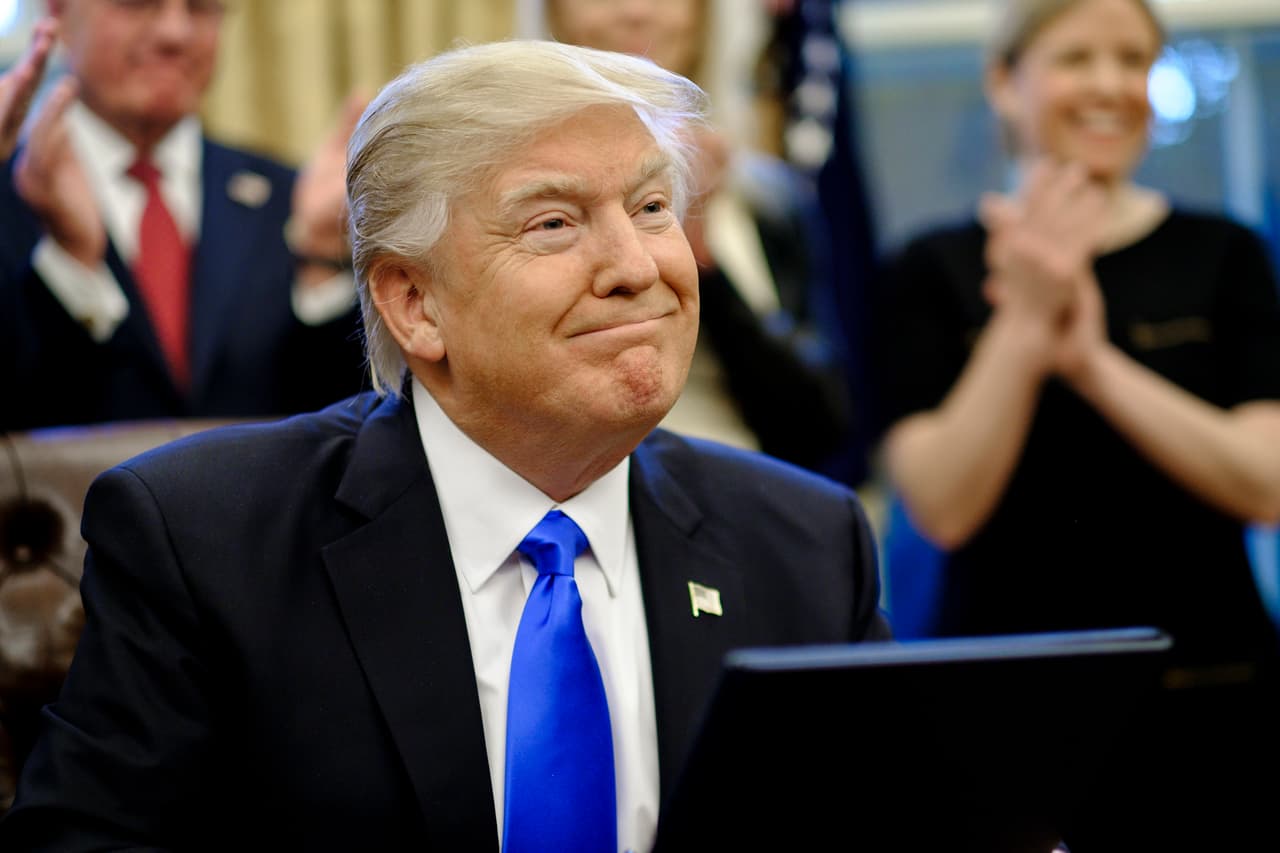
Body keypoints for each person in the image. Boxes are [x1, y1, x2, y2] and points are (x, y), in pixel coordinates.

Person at [0, 40, 890, 851]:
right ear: (415, 304)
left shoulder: (806, 546)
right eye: (554, 223)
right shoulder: (204, 543)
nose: (636, 265)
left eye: (652, 207)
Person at [873, 0, 1280, 848]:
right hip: (1003, 702)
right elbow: (943, 505)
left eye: (1133, 60)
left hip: (1213, 695)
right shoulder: (931, 267)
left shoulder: (1224, 253)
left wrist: (1092, 361)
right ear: (1004, 82)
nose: (1109, 85)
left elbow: (1266, 483)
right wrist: (1025, 321)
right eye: (1076, 58)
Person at [0, 0, 366, 432]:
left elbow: (342, 424)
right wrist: (71, 263)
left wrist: (322, 259)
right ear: (58, 15)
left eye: (200, 7)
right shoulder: (11, 193)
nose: (175, 33)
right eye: (138, 4)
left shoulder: (291, 200)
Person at [541, 0, 853, 472]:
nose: (636, 11)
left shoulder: (764, 196)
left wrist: (699, 248)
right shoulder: (504, 195)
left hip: (742, 488)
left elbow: (819, 422)